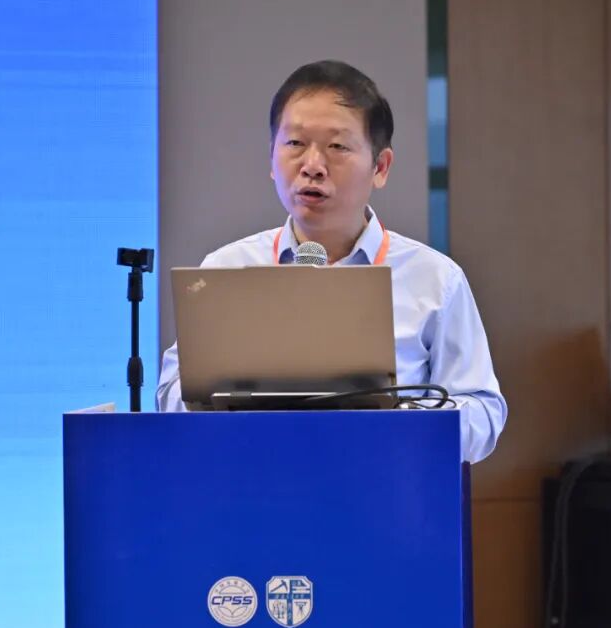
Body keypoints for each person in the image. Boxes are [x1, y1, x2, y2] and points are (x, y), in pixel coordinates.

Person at [155, 60, 507, 463]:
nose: (312, 166)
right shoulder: (225, 269)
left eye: (337, 147)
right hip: (254, 482)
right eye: (294, 143)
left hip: (384, 487)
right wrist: (233, 410)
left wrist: (400, 424)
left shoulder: (435, 279)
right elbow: (171, 394)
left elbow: (484, 411)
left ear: (380, 167)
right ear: (271, 158)